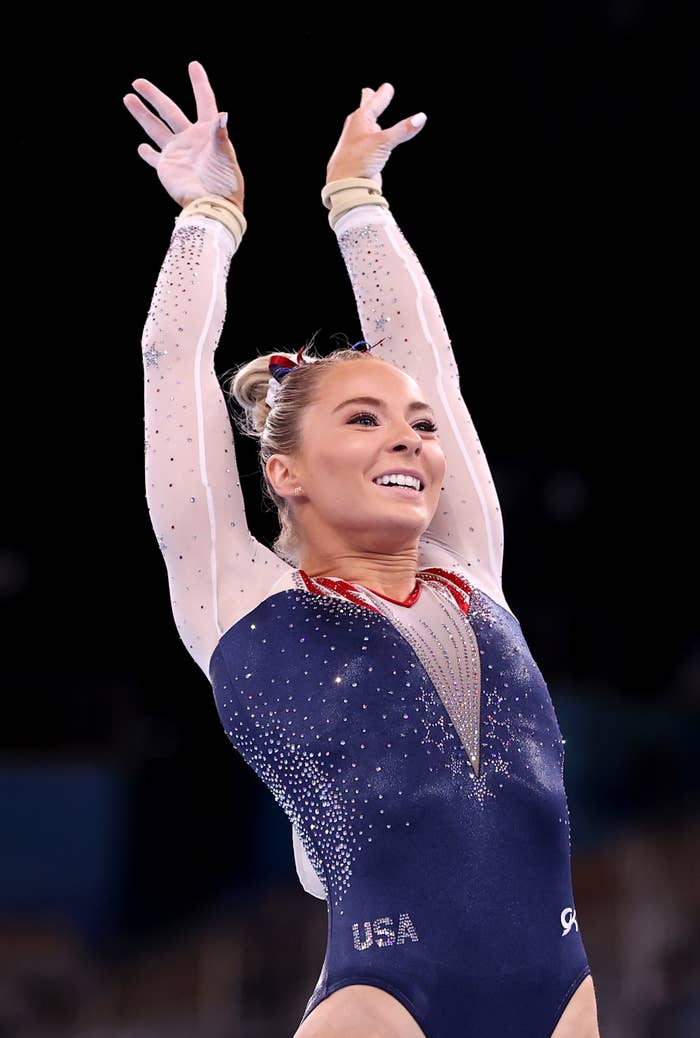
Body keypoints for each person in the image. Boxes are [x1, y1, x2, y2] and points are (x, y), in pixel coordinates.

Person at [123, 60, 601, 1038]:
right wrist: (208, 215)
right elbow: (172, 365)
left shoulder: (471, 570)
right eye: (364, 419)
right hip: (387, 1003)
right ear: (286, 472)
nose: (411, 441)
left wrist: (358, 200)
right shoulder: (239, 597)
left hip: (561, 994)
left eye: (416, 428)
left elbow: (434, 368)